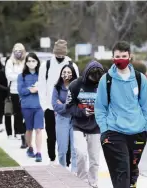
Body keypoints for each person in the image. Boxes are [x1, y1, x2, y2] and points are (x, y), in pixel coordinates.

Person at [95, 41, 147, 188]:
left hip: (138, 132)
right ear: (113, 58)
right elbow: (100, 107)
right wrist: (104, 129)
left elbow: (146, 106)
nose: (120, 59)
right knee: (122, 171)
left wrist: (146, 126)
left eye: (124, 56)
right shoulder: (106, 80)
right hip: (114, 132)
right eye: (117, 56)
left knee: (131, 173)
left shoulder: (140, 79)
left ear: (130, 56)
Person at [38, 39, 79, 164]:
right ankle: (52, 158)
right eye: (58, 54)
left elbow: (76, 85)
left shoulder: (72, 65)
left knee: (67, 137)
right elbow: (41, 86)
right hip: (50, 107)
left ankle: (67, 161)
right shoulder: (47, 65)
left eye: (62, 54)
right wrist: (45, 106)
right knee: (51, 135)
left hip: (68, 109)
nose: (60, 57)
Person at [66, 60, 104, 188]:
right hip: (78, 125)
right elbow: (69, 106)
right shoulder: (75, 85)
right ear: (87, 73)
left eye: (97, 79)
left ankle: (93, 183)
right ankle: (81, 182)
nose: (95, 80)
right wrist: (82, 112)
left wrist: (98, 111)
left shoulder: (102, 86)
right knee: (81, 154)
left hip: (96, 126)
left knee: (94, 159)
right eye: (92, 78)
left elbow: (108, 105)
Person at [17, 52, 43, 162]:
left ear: (37, 62)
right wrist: (30, 90)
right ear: (26, 63)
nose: (31, 63)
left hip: (39, 106)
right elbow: (21, 91)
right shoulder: (21, 76)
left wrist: (38, 89)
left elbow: (46, 89)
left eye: (33, 61)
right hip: (26, 106)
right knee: (29, 129)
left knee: (39, 129)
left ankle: (39, 152)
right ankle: (30, 148)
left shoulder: (42, 75)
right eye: (29, 61)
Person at [52, 64, 78, 172]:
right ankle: (62, 170)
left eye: (69, 72)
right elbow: (54, 105)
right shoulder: (57, 88)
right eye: (64, 72)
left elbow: (78, 104)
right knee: (62, 149)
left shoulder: (77, 86)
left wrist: (63, 105)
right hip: (62, 119)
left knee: (75, 149)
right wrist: (67, 106)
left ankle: (74, 172)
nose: (66, 74)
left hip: (75, 120)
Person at [5, 43, 27, 148]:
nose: (18, 53)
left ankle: (24, 131)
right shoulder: (10, 62)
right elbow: (9, 75)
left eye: (20, 51)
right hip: (14, 91)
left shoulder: (26, 61)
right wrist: (20, 76)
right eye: (16, 51)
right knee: (17, 113)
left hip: (25, 90)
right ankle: (18, 132)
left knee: (25, 112)